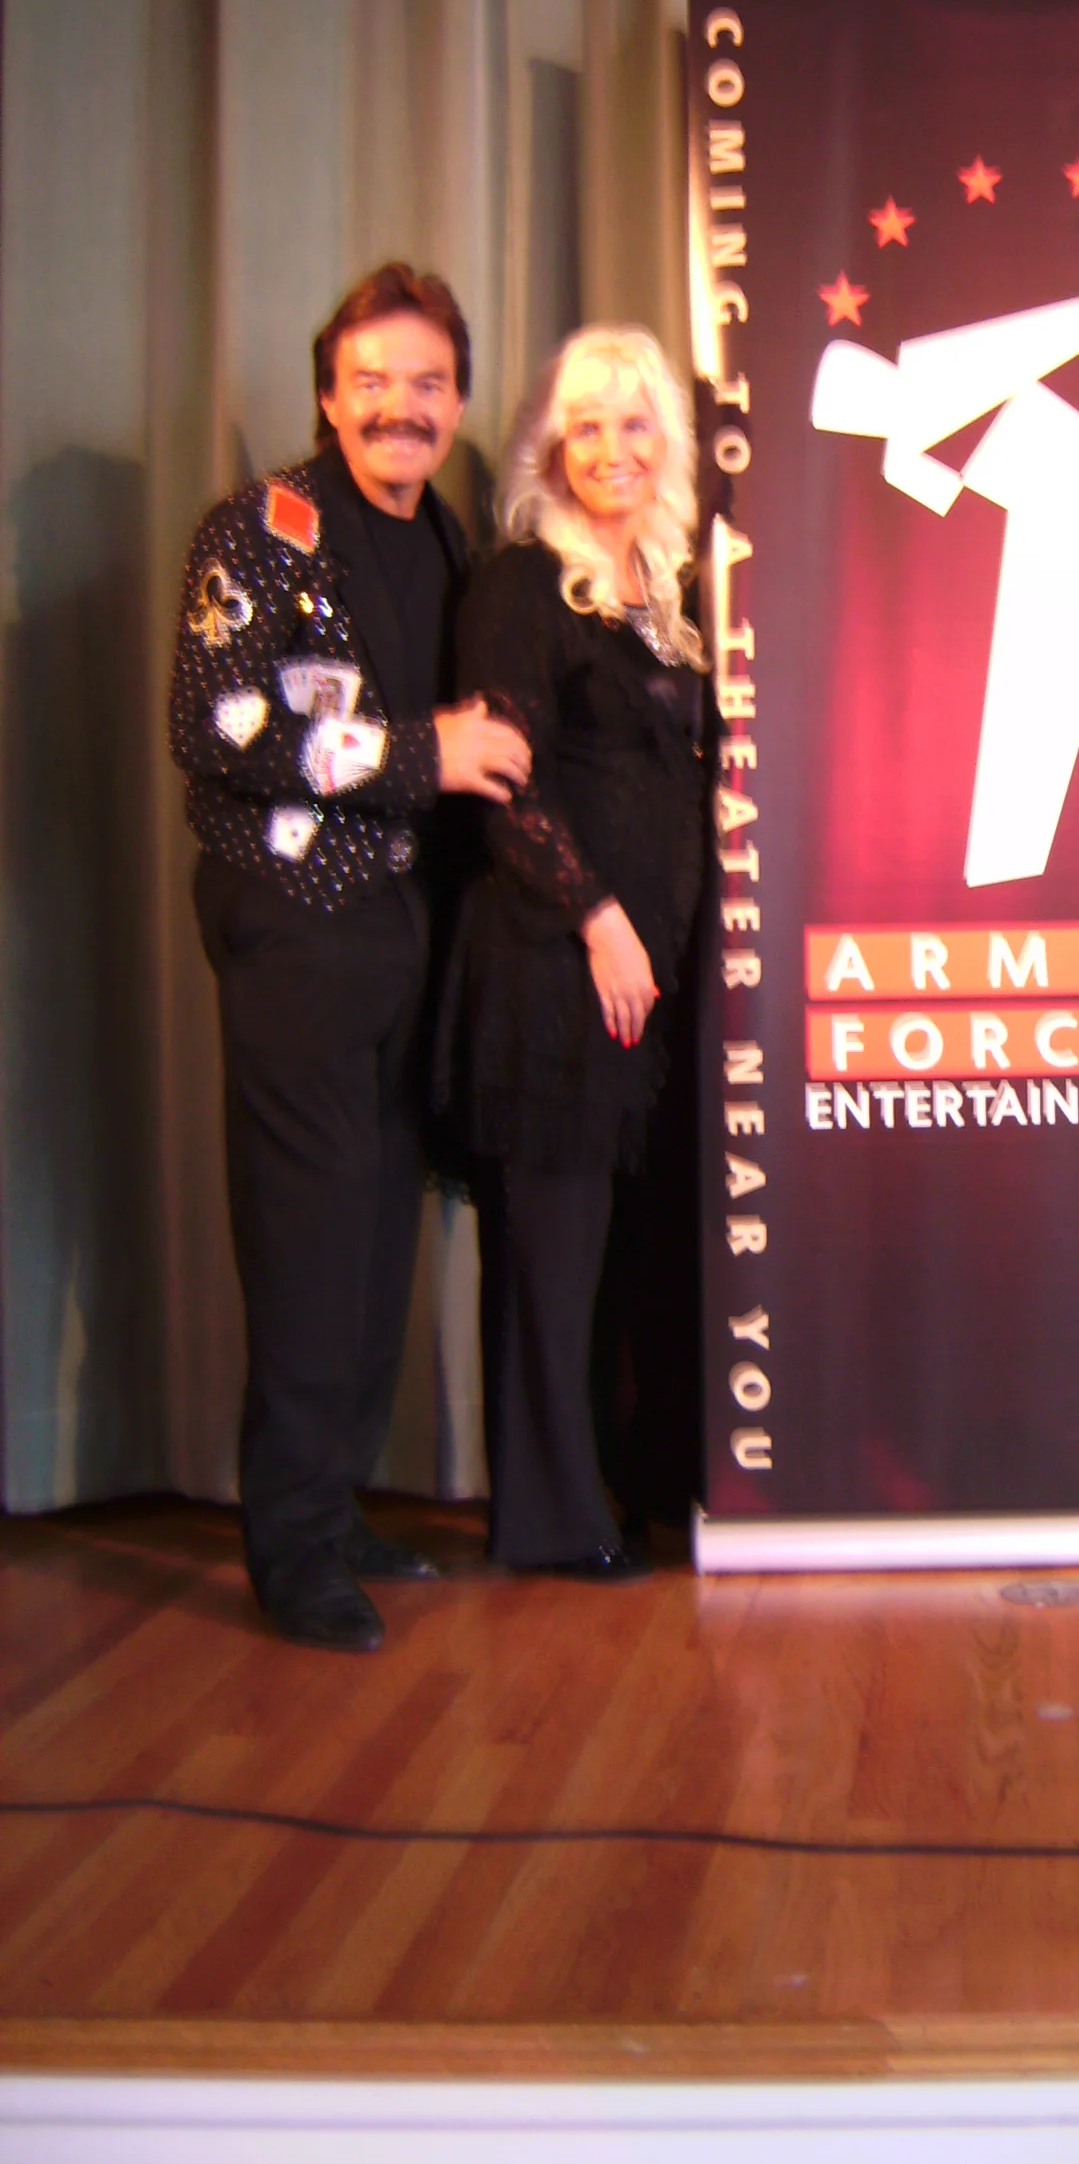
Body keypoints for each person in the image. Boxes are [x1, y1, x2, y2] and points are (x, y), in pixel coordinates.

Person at [169, 262, 531, 1652]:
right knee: (313, 1242)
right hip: (298, 930)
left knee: (380, 1234)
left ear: (457, 401)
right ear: (329, 393)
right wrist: (417, 753)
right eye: (372, 381)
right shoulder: (260, 528)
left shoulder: (445, 537)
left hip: (405, 935)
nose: (400, 406)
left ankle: (338, 1507)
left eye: (426, 383)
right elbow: (217, 722)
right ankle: (295, 1549)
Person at [442, 325, 708, 1579]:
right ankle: (548, 1519)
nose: (611, 448)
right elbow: (506, 783)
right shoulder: (518, 582)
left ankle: (615, 1485)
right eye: (586, 425)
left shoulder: (664, 592)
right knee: (551, 1259)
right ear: (552, 444)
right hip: (554, 967)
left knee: (617, 1254)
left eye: (636, 421)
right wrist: (600, 916)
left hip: (643, 983)